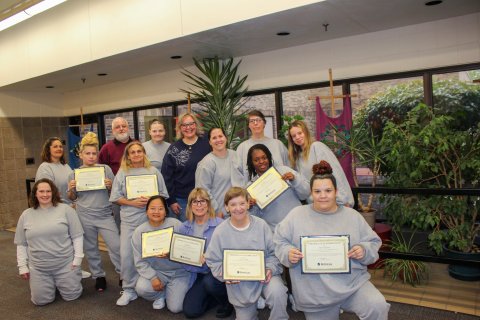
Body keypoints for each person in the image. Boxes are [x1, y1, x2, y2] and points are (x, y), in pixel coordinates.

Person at [273, 161, 390, 320]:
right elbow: (279, 241)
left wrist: (363, 249)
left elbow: (373, 242)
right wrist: (287, 253)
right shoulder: (296, 215)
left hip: (352, 284)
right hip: (315, 292)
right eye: (317, 191)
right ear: (311, 193)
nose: (322, 196)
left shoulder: (352, 216)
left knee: (377, 305)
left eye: (328, 190)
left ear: (336, 191)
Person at [205, 187, 288, 320]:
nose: (238, 208)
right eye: (233, 204)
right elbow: (213, 260)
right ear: (226, 207)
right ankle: (253, 306)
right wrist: (226, 275)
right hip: (240, 284)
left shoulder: (261, 225)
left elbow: (274, 254)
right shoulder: (220, 231)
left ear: (248, 203)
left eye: (242, 203)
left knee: (278, 292)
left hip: (264, 277)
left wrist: (269, 269)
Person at [110, 141, 169, 306]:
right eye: (133, 152)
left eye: (139, 151)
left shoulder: (153, 171)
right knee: (127, 255)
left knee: (152, 254)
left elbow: (163, 194)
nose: (136, 154)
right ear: (128, 156)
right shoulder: (123, 172)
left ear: (144, 153)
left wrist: (150, 201)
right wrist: (132, 202)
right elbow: (115, 197)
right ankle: (129, 289)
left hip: (151, 220)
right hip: (130, 220)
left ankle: (157, 291)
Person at [14, 178, 84, 306]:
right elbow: (21, 243)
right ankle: (51, 283)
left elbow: (77, 236)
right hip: (39, 267)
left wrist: (77, 260)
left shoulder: (66, 210)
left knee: (72, 296)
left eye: (48, 191)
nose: (45, 194)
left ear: (53, 193)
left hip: (65, 264)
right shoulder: (26, 215)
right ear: (35, 193)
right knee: (40, 301)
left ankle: (68, 278)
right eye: (41, 191)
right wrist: (22, 266)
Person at [67, 132, 121, 292]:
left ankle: (123, 274)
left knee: (116, 246)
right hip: (84, 215)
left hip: (104, 215)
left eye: (94, 153)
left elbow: (115, 195)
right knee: (90, 248)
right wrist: (71, 189)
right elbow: (71, 198)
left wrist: (110, 186)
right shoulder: (74, 174)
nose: (91, 157)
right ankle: (99, 276)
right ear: (81, 155)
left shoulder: (105, 169)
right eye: (87, 154)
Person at [179, 188, 232, 318]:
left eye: (202, 201)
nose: (199, 205)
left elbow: (229, 252)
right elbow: (183, 259)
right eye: (195, 202)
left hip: (217, 273)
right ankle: (213, 298)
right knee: (190, 311)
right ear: (190, 205)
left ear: (208, 204)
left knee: (210, 283)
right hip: (197, 274)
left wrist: (210, 258)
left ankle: (227, 303)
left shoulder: (221, 225)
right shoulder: (184, 227)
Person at [132, 195, 190, 312]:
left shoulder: (176, 225)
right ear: (147, 211)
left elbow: (187, 250)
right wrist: (153, 277)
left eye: (160, 208)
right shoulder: (139, 232)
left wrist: (171, 254)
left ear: (166, 211)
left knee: (175, 308)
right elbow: (139, 261)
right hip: (158, 272)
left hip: (179, 273)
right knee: (141, 289)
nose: (156, 212)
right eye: (153, 208)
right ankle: (160, 295)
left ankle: (172, 291)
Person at [288, 120, 354, 207]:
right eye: (294, 136)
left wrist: (343, 199)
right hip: (316, 204)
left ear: (306, 132)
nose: (297, 137)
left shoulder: (317, 147)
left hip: (336, 202)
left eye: (300, 133)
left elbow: (335, 172)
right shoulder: (297, 159)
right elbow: (306, 185)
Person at [247, 144, 309, 232]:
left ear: (269, 158)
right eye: (256, 160)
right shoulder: (251, 187)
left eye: (264, 158)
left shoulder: (284, 171)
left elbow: (305, 194)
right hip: (275, 232)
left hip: (299, 225)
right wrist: (251, 207)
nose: (261, 161)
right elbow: (255, 219)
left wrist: (295, 180)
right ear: (251, 163)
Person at [161, 112, 210, 222]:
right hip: (181, 201)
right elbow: (166, 176)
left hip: (203, 199)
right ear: (179, 128)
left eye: (191, 124)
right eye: (184, 125)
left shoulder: (207, 144)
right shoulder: (174, 149)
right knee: (185, 234)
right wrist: (171, 201)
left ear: (196, 125)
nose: (188, 128)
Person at [195, 127, 244, 217]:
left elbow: (243, 179)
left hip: (239, 211)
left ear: (226, 138)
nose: (218, 140)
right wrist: (216, 210)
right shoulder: (206, 163)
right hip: (220, 214)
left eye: (220, 136)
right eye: (214, 138)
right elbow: (202, 191)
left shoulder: (235, 155)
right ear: (210, 142)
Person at [98, 116, 134, 229]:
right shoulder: (106, 148)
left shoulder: (136, 145)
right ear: (113, 131)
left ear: (128, 128)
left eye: (124, 126)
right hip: (118, 195)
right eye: (117, 127)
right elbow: (100, 170)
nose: (121, 129)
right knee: (120, 224)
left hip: (137, 191)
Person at [236, 110, 289, 177]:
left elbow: (289, 168)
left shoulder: (278, 145)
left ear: (264, 123)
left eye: (258, 120)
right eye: (252, 121)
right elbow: (238, 174)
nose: (255, 123)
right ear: (248, 125)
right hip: (252, 186)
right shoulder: (242, 148)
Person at [35, 137, 73, 205]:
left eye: (60, 146)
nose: (59, 149)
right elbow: (46, 194)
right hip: (56, 207)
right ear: (48, 150)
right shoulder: (45, 167)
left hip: (70, 207)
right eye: (55, 147)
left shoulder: (66, 166)